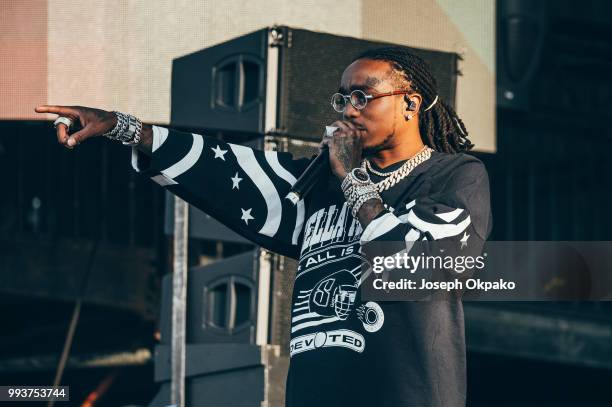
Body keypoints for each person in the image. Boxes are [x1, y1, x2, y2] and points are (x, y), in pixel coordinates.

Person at [36, 46, 492, 407]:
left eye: (363, 97)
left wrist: (352, 180)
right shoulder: (319, 182)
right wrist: (123, 127)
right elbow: (227, 172)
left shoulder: (453, 176)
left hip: (402, 395)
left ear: (411, 102)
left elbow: (416, 266)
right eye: (343, 97)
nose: (349, 110)